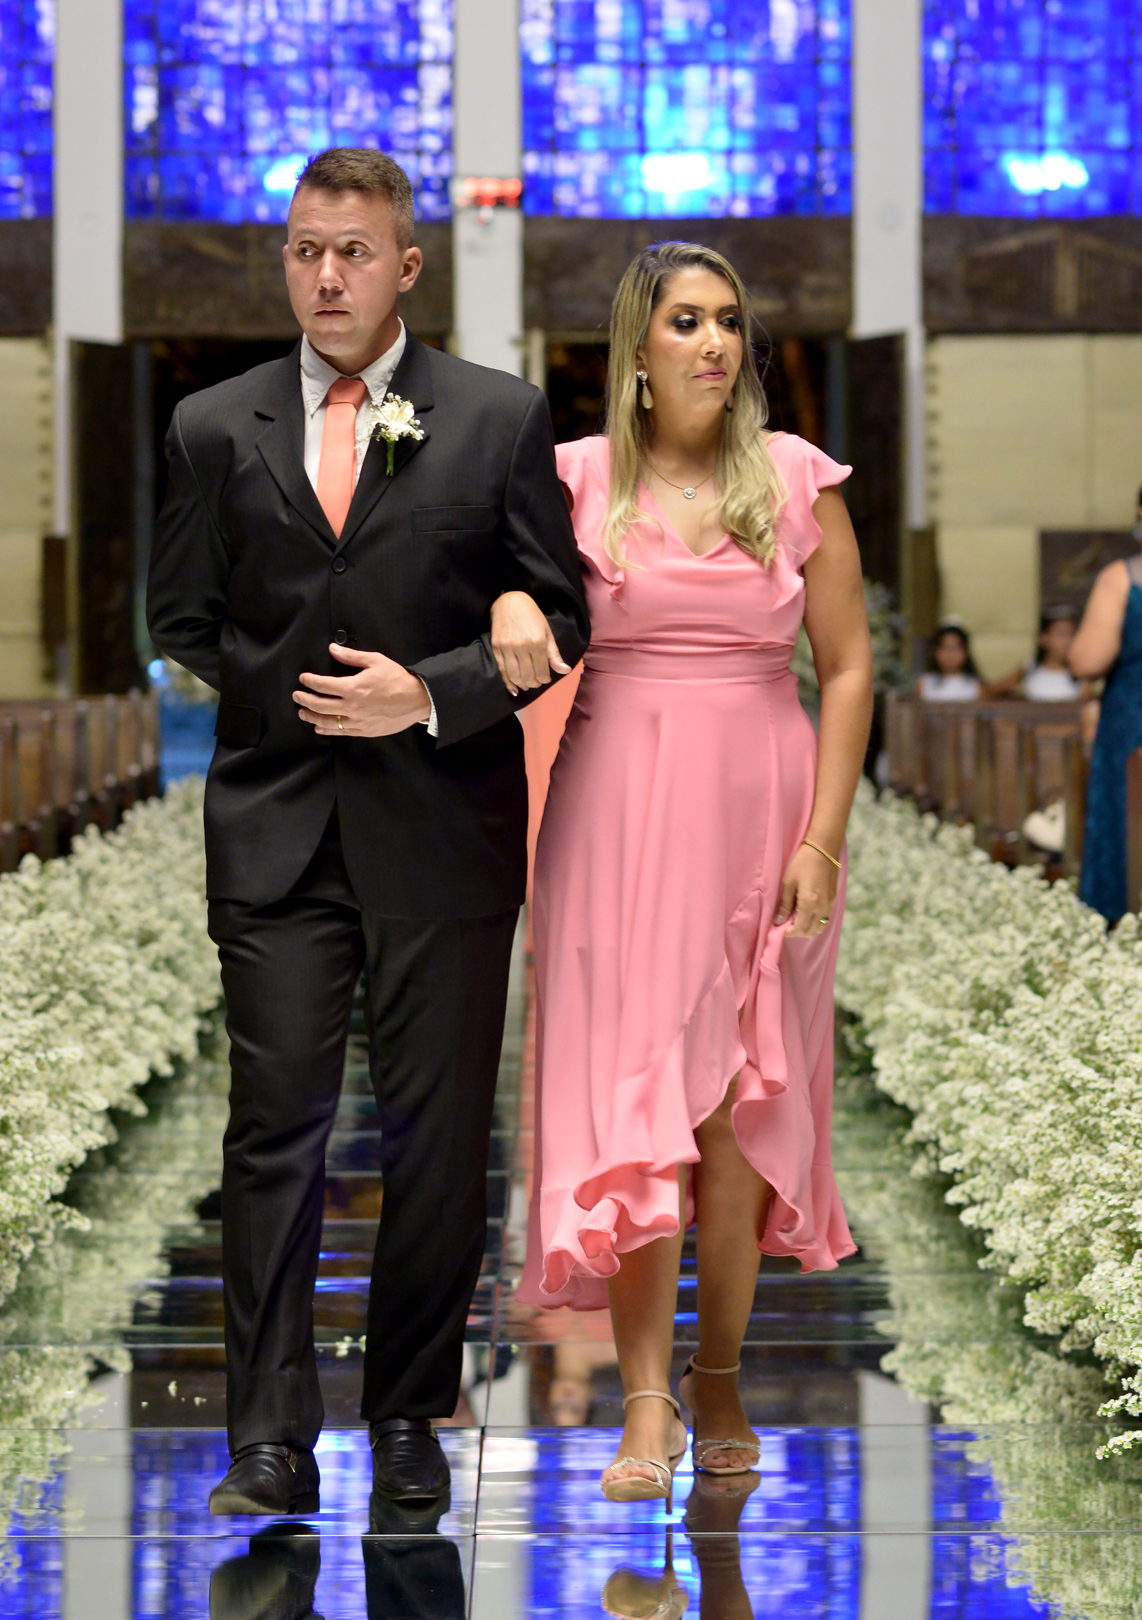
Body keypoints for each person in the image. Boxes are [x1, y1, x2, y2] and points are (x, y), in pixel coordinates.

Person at [148, 148, 588, 1515]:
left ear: (407, 265)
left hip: (442, 826)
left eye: (352, 251)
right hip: (277, 827)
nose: (325, 275)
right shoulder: (214, 426)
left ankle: (407, 1410)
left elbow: (556, 616)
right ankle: (269, 1436)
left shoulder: (497, 417)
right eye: (303, 251)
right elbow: (181, 619)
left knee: (437, 1135)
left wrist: (430, 695)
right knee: (273, 1131)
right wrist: (293, 698)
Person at [493, 241, 871, 1506]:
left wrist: (823, 839)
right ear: (639, 354)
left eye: (729, 322)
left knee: (736, 1121)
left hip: (765, 813)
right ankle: (644, 1403)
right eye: (686, 323)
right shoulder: (570, 481)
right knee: (642, 1109)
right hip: (617, 819)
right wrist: (504, 602)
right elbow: (501, 608)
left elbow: (852, 668)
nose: (715, 343)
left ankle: (720, 1371)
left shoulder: (798, 480)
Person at [1070, 521, 1142, 922]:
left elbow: (1087, 661)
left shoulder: (1122, 579)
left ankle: (1121, 924)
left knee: (1127, 825)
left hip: (1133, 722)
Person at [986, 606, 1084, 701]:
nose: (1068, 641)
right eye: (1061, 634)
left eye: (1073, 634)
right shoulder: (1029, 669)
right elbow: (993, 691)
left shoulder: (1081, 672)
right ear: (1043, 638)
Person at [917, 621, 982, 701]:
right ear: (934, 652)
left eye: (956, 648)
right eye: (945, 648)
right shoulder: (923, 684)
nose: (950, 654)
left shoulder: (976, 686)